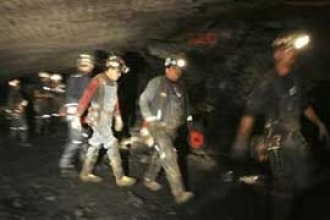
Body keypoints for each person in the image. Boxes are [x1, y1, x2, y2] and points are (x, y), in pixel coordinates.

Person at [231, 33, 328, 194]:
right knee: (284, 187)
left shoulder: (296, 77)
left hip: (296, 138)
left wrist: (319, 123)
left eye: (293, 49)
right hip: (277, 140)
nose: (293, 53)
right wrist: (241, 140)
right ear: (278, 54)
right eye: (289, 49)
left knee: (304, 182)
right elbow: (250, 112)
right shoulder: (267, 81)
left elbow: (304, 105)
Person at [71, 55, 136, 187]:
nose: (119, 75)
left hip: (107, 117)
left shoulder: (114, 82)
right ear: (110, 68)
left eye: (120, 73)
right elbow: (86, 97)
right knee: (111, 142)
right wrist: (77, 116)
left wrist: (118, 116)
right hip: (97, 116)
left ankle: (85, 173)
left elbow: (114, 100)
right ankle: (120, 177)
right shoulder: (98, 80)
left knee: (95, 144)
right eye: (117, 72)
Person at [139, 55, 194, 204]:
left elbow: (186, 107)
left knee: (160, 154)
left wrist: (190, 126)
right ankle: (179, 193)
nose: (178, 72)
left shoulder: (181, 86)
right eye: (175, 69)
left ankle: (149, 179)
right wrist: (149, 119)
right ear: (167, 69)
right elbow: (143, 100)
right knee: (170, 155)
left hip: (173, 128)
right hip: (158, 127)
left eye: (179, 70)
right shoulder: (157, 82)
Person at [59, 54, 94, 176]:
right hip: (77, 113)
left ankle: (86, 164)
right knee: (76, 140)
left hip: (77, 113)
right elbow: (84, 98)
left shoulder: (73, 77)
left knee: (83, 138)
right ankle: (65, 167)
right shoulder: (85, 79)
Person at [6, 79, 31, 147]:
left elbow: (21, 102)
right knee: (23, 127)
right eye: (18, 85)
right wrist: (16, 111)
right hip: (17, 113)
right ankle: (23, 142)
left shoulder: (15, 93)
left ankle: (12, 141)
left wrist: (24, 103)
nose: (19, 86)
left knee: (14, 127)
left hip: (16, 113)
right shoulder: (14, 94)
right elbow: (12, 104)